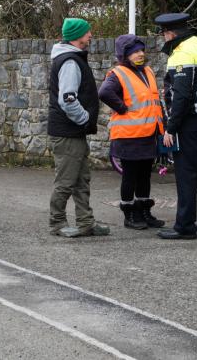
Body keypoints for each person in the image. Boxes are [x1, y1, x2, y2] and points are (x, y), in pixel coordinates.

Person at [154, 13, 197, 240]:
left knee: (185, 171)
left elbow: (181, 94)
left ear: (170, 33)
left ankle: (184, 226)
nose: (164, 38)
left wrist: (171, 128)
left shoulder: (181, 53)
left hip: (189, 120)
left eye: (164, 33)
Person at [47, 18, 110, 237]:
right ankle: (57, 222)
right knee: (65, 181)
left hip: (73, 132)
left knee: (81, 179)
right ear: (77, 35)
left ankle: (86, 222)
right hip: (67, 132)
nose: (91, 35)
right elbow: (68, 99)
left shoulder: (72, 59)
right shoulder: (70, 62)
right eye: (87, 32)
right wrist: (84, 119)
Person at [98, 34, 166, 230]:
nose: (140, 54)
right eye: (135, 51)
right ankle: (129, 216)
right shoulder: (118, 73)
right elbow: (104, 92)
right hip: (129, 134)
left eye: (141, 50)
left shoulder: (148, 71)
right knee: (130, 175)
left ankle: (144, 212)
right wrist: (121, 107)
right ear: (125, 55)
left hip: (148, 132)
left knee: (145, 175)